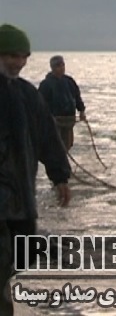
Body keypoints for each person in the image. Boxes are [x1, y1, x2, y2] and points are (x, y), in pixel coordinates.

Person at [0, 24, 71, 315]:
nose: (19, 62)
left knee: (20, 257)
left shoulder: (28, 94)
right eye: (12, 56)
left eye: (24, 56)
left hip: (22, 198)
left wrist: (60, 177)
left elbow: (48, 138)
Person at [38, 55, 86, 151]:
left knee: (68, 145)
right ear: (52, 67)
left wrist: (81, 111)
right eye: (58, 65)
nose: (61, 68)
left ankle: (62, 163)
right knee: (55, 146)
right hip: (54, 121)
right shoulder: (46, 84)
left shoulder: (69, 81)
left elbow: (77, 96)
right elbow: (40, 104)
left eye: (62, 65)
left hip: (69, 120)